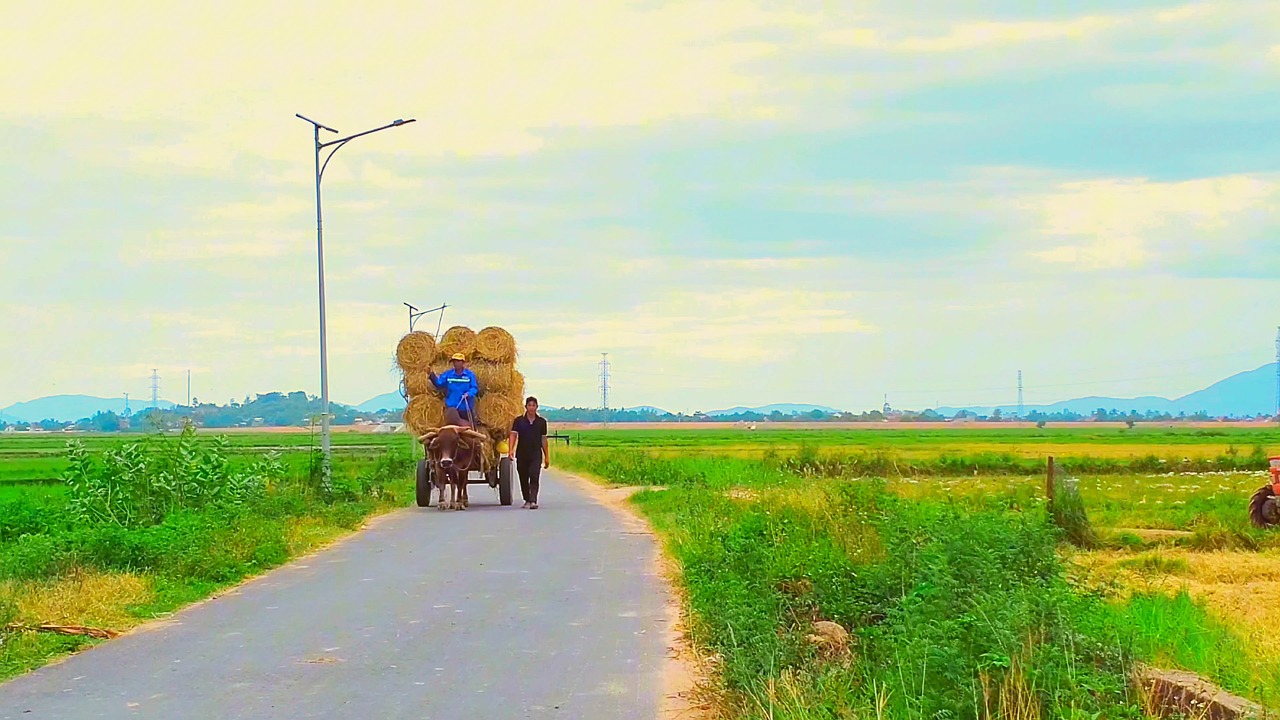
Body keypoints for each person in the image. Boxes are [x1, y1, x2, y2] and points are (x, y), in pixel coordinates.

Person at [508, 396, 549, 509]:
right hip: (522, 453)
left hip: (536, 454)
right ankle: (527, 499)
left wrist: (547, 456)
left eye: (533, 405)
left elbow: (543, 439)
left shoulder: (541, 422)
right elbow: (513, 435)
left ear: (537, 407)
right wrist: (510, 450)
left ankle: (533, 500)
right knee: (523, 476)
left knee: (534, 475)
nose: (531, 407)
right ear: (525, 407)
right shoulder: (519, 421)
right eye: (529, 405)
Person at [428, 353, 480, 428]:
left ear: (463, 362)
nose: (456, 363)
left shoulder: (469, 375)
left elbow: (474, 388)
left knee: (472, 429)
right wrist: (431, 375)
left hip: (465, 408)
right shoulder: (448, 374)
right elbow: (439, 384)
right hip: (452, 409)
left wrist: (469, 393)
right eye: (454, 361)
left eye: (458, 361)